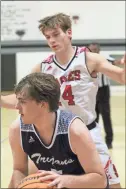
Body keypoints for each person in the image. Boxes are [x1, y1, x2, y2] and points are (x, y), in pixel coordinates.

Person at [1, 13, 125, 188]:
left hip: (86, 132)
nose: (52, 40)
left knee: (111, 184)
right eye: (48, 37)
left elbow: (121, 76)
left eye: (56, 34)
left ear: (69, 33)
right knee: (31, 180)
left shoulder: (88, 59)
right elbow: (22, 98)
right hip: (54, 134)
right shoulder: (43, 67)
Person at [8, 72, 108, 188]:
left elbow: (100, 180)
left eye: (23, 102)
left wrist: (65, 180)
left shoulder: (74, 131)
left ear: (42, 105)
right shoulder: (17, 130)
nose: (16, 107)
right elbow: (19, 170)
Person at [87, 42, 123, 149]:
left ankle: (109, 141)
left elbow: (115, 62)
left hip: (103, 91)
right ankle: (94, 140)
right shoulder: (86, 59)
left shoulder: (104, 58)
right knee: (93, 117)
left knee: (106, 116)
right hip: (92, 90)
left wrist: (121, 61)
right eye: (90, 50)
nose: (91, 51)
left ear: (98, 50)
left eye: (93, 50)